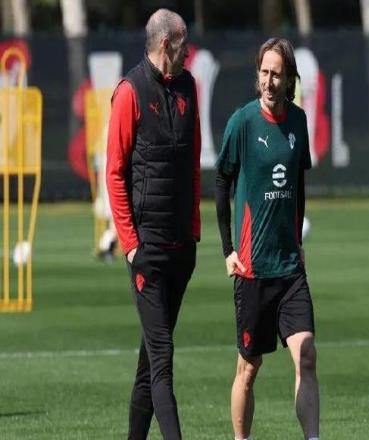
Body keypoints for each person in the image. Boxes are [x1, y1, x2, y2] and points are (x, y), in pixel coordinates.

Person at [215, 38, 320, 440]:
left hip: (289, 268)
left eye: (277, 74)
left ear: (289, 78)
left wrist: (298, 240)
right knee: (249, 367)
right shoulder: (242, 122)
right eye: (264, 72)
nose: (269, 81)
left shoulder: (298, 121)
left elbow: (298, 183)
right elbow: (221, 181)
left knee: (306, 355)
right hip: (253, 270)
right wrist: (228, 250)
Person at [106, 8, 200, 440]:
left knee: (149, 364)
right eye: (183, 44)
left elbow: (193, 163)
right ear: (166, 44)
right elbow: (114, 173)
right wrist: (130, 245)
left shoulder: (188, 87)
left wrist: (194, 230)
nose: (188, 51)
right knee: (162, 359)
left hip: (181, 248)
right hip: (147, 251)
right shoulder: (129, 92)